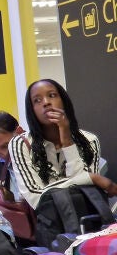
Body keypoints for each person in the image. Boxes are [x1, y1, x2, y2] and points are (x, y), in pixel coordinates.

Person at [9, 78, 117, 209]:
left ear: (64, 102)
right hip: (50, 219)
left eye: (52, 95)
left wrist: (67, 139)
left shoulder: (89, 140)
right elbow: (36, 199)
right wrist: (93, 178)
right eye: (37, 100)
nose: (46, 103)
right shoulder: (20, 144)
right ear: (32, 110)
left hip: (86, 215)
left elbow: (87, 190)